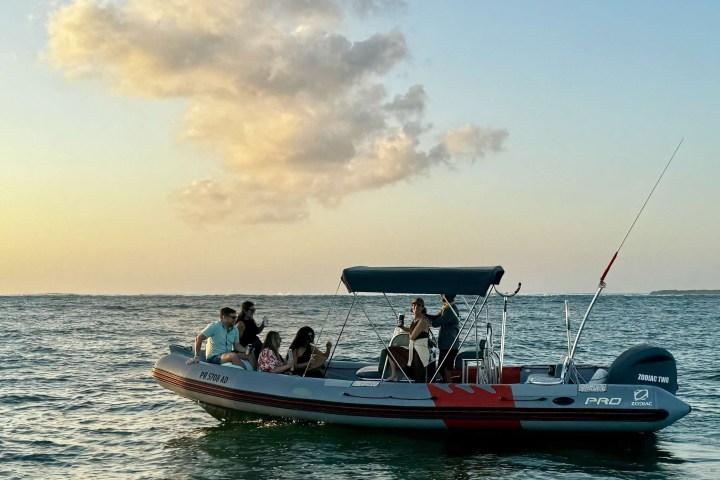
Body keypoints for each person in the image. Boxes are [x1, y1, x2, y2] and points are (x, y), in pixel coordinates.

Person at [186, 307, 255, 368]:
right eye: (233, 318)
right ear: (223, 317)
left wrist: (246, 350)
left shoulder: (234, 329)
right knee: (233, 356)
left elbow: (236, 345)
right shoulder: (214, 326)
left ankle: (257, 374)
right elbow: (199, 338)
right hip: (214, 357)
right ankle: (247, 375)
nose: (235, 320)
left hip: (227, 354)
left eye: (235, 317)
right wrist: (196, 356)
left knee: (250, 355)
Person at [386, 298, 432, 382]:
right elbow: (412, 330)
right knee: (390, 350)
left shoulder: (423, 320)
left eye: (419, 305)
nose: (416, 307)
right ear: (412, 307)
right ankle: (394, 375)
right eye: (414, 305)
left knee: (419, 378)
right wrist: (402, 327)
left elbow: (412, 336)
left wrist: (409, 333)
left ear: (422, 308)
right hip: (413, 350)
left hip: (420, 353)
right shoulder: (415, 319)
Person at [427, 294, 461, 383]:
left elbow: (436, 323)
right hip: (446, 344)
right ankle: (447, 385)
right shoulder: (446, 308)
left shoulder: (451, 310)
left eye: (443, 295)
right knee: (443, 368)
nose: (441, 297)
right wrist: (424, 315)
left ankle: (450, 387)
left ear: (449, 296)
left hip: (450, 345)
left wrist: (424, 320)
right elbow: (436, 317)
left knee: (445, 368)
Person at [235, 300, 267, 366]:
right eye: (251, 310)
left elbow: (257, 331)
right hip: (249, 346)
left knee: (270, 348)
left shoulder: (251, 320)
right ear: (244, 310)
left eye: (254, 310)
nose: (253, 312)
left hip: (256, 343)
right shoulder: (240, 324)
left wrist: (263, 325)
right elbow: (237, 341)